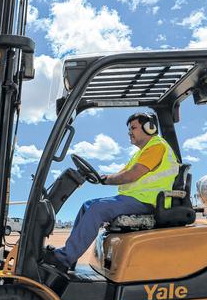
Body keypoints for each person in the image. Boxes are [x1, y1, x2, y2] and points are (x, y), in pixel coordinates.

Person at [43, 113, 180, 272]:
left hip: (148, 202)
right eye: (129, 129)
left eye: (133, 128)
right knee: (87, 205)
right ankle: (69, 257)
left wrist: (106, 180)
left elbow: (130, 175)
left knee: (97, 209)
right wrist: (101, 177)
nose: (130, 132)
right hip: (134, 199)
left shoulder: (156, 146)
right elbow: (121, 174)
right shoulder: (141, 153)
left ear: (150, 128)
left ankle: (63, 258)